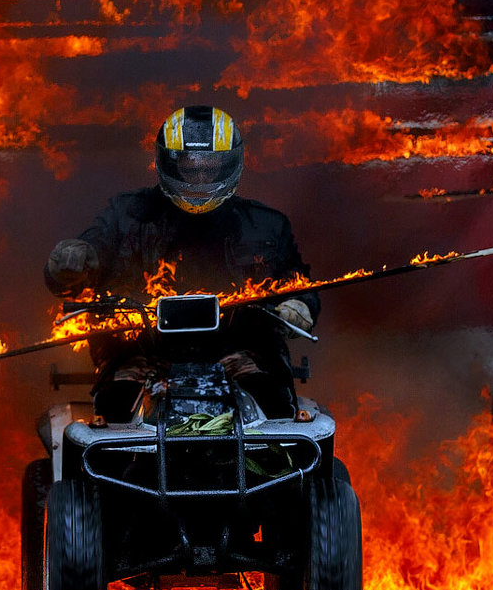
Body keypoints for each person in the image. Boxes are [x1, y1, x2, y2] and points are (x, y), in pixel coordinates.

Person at [44, 105, 319, 420]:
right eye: (190, 168)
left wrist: (302, 306)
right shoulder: (125, 215)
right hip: (142, 354)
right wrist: (67, 266)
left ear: (231, 164)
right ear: (168, 164)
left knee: (278, 409)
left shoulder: (269, 225)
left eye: (210, 168)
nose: (200, 179)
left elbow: (299, 281)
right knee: (113, 411)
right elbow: (86, 260)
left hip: (246, 353)